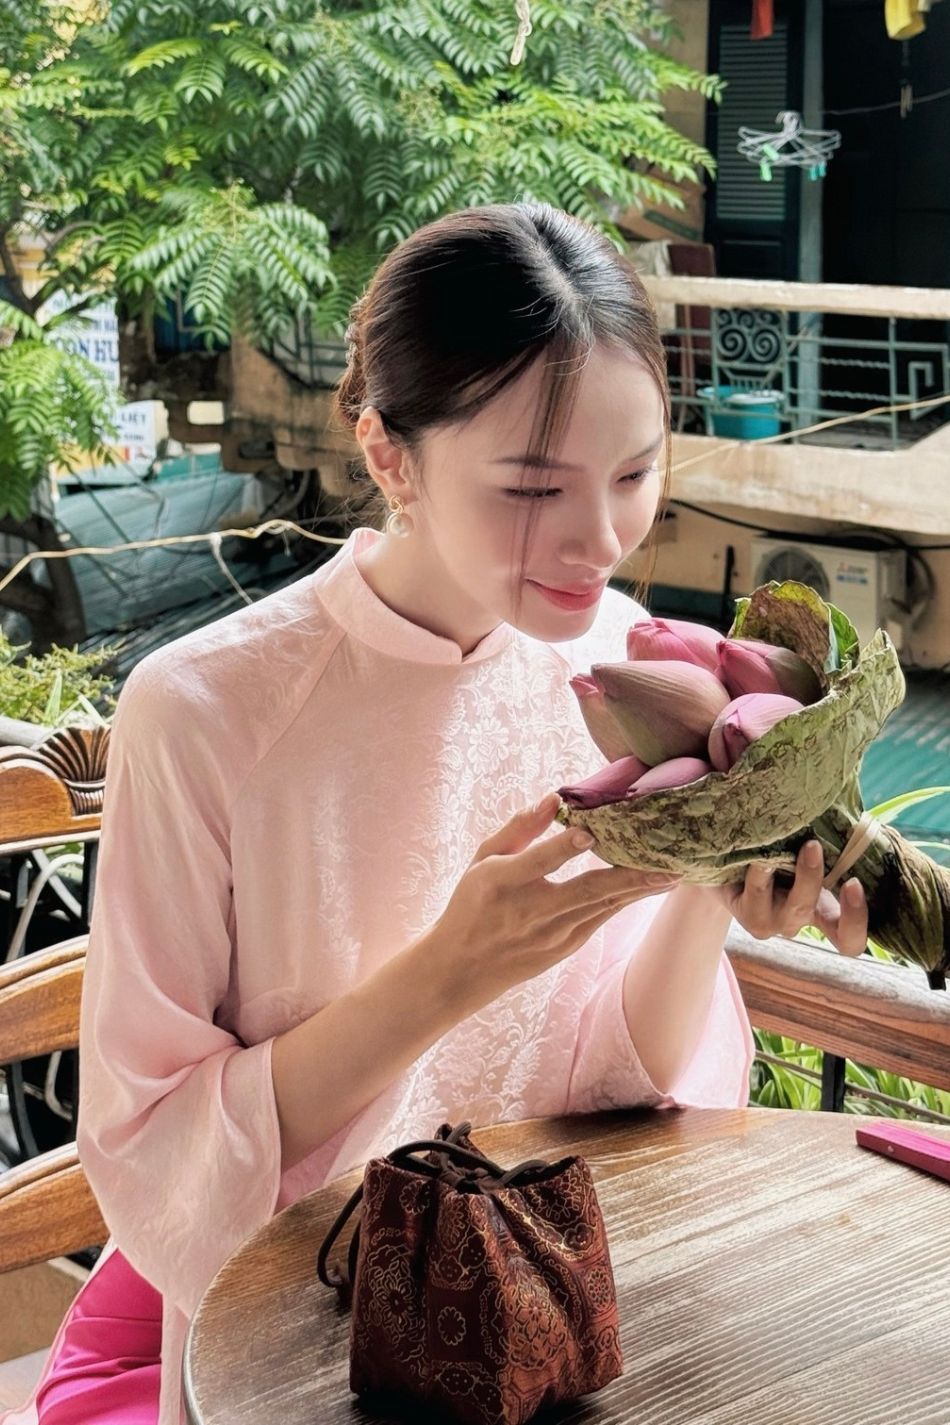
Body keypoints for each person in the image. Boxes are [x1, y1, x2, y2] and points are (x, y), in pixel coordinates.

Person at [6, 202, 868, 1425]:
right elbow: (154, 1149)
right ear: (389, 457)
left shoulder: (628, 665)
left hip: (562, 1300)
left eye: (634, 473)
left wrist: (710, 885)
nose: (600, 539)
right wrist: (447, 973)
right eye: (532, 487)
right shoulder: (204, 710)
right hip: (302, 1342)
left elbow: (620, 1082)